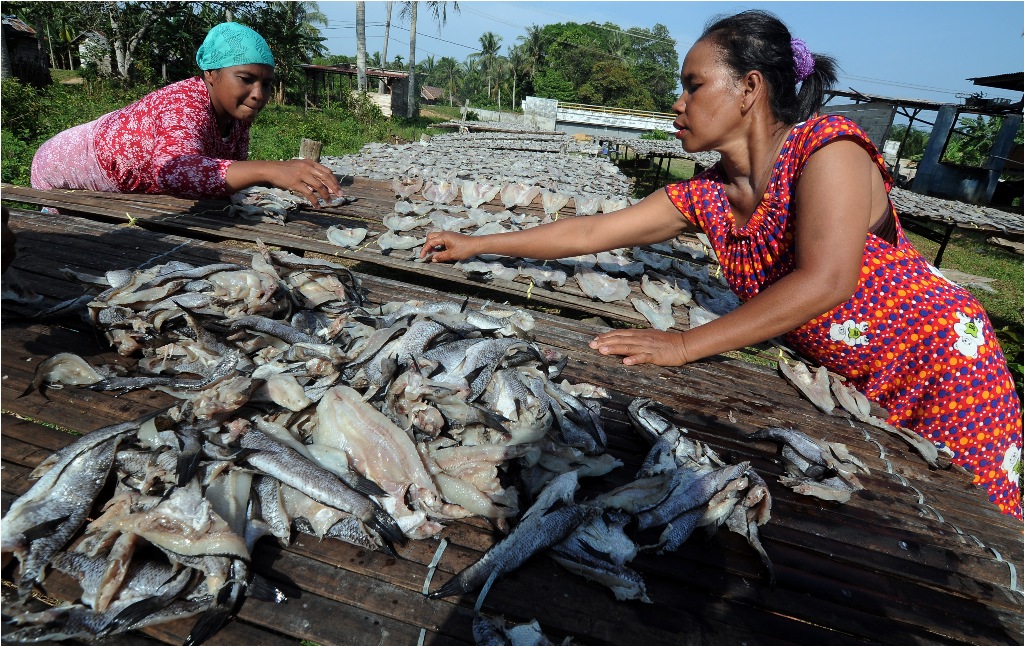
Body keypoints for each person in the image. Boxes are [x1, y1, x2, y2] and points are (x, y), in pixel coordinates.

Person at [420, 10, 1022, 520]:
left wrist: (685, 344)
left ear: (749, 89)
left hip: (942, 366)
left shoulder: (827, 149)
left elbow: (828, 279)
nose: (677, 104)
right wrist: (479, 243)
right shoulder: (709, 193)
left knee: (973, 531)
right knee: (895, 517)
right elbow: (592, 231)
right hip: (852, 382)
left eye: (693, 86)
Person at [30, 22, 341, 206]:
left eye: (266, 83)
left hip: (119, 177)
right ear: (211, 74)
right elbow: (174, 171)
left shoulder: (236, 115)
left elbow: (220, 170)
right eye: (246, 80)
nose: (259, 94)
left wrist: (276, 175)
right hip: (65, 166)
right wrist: (270, 169)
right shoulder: (183, 103)